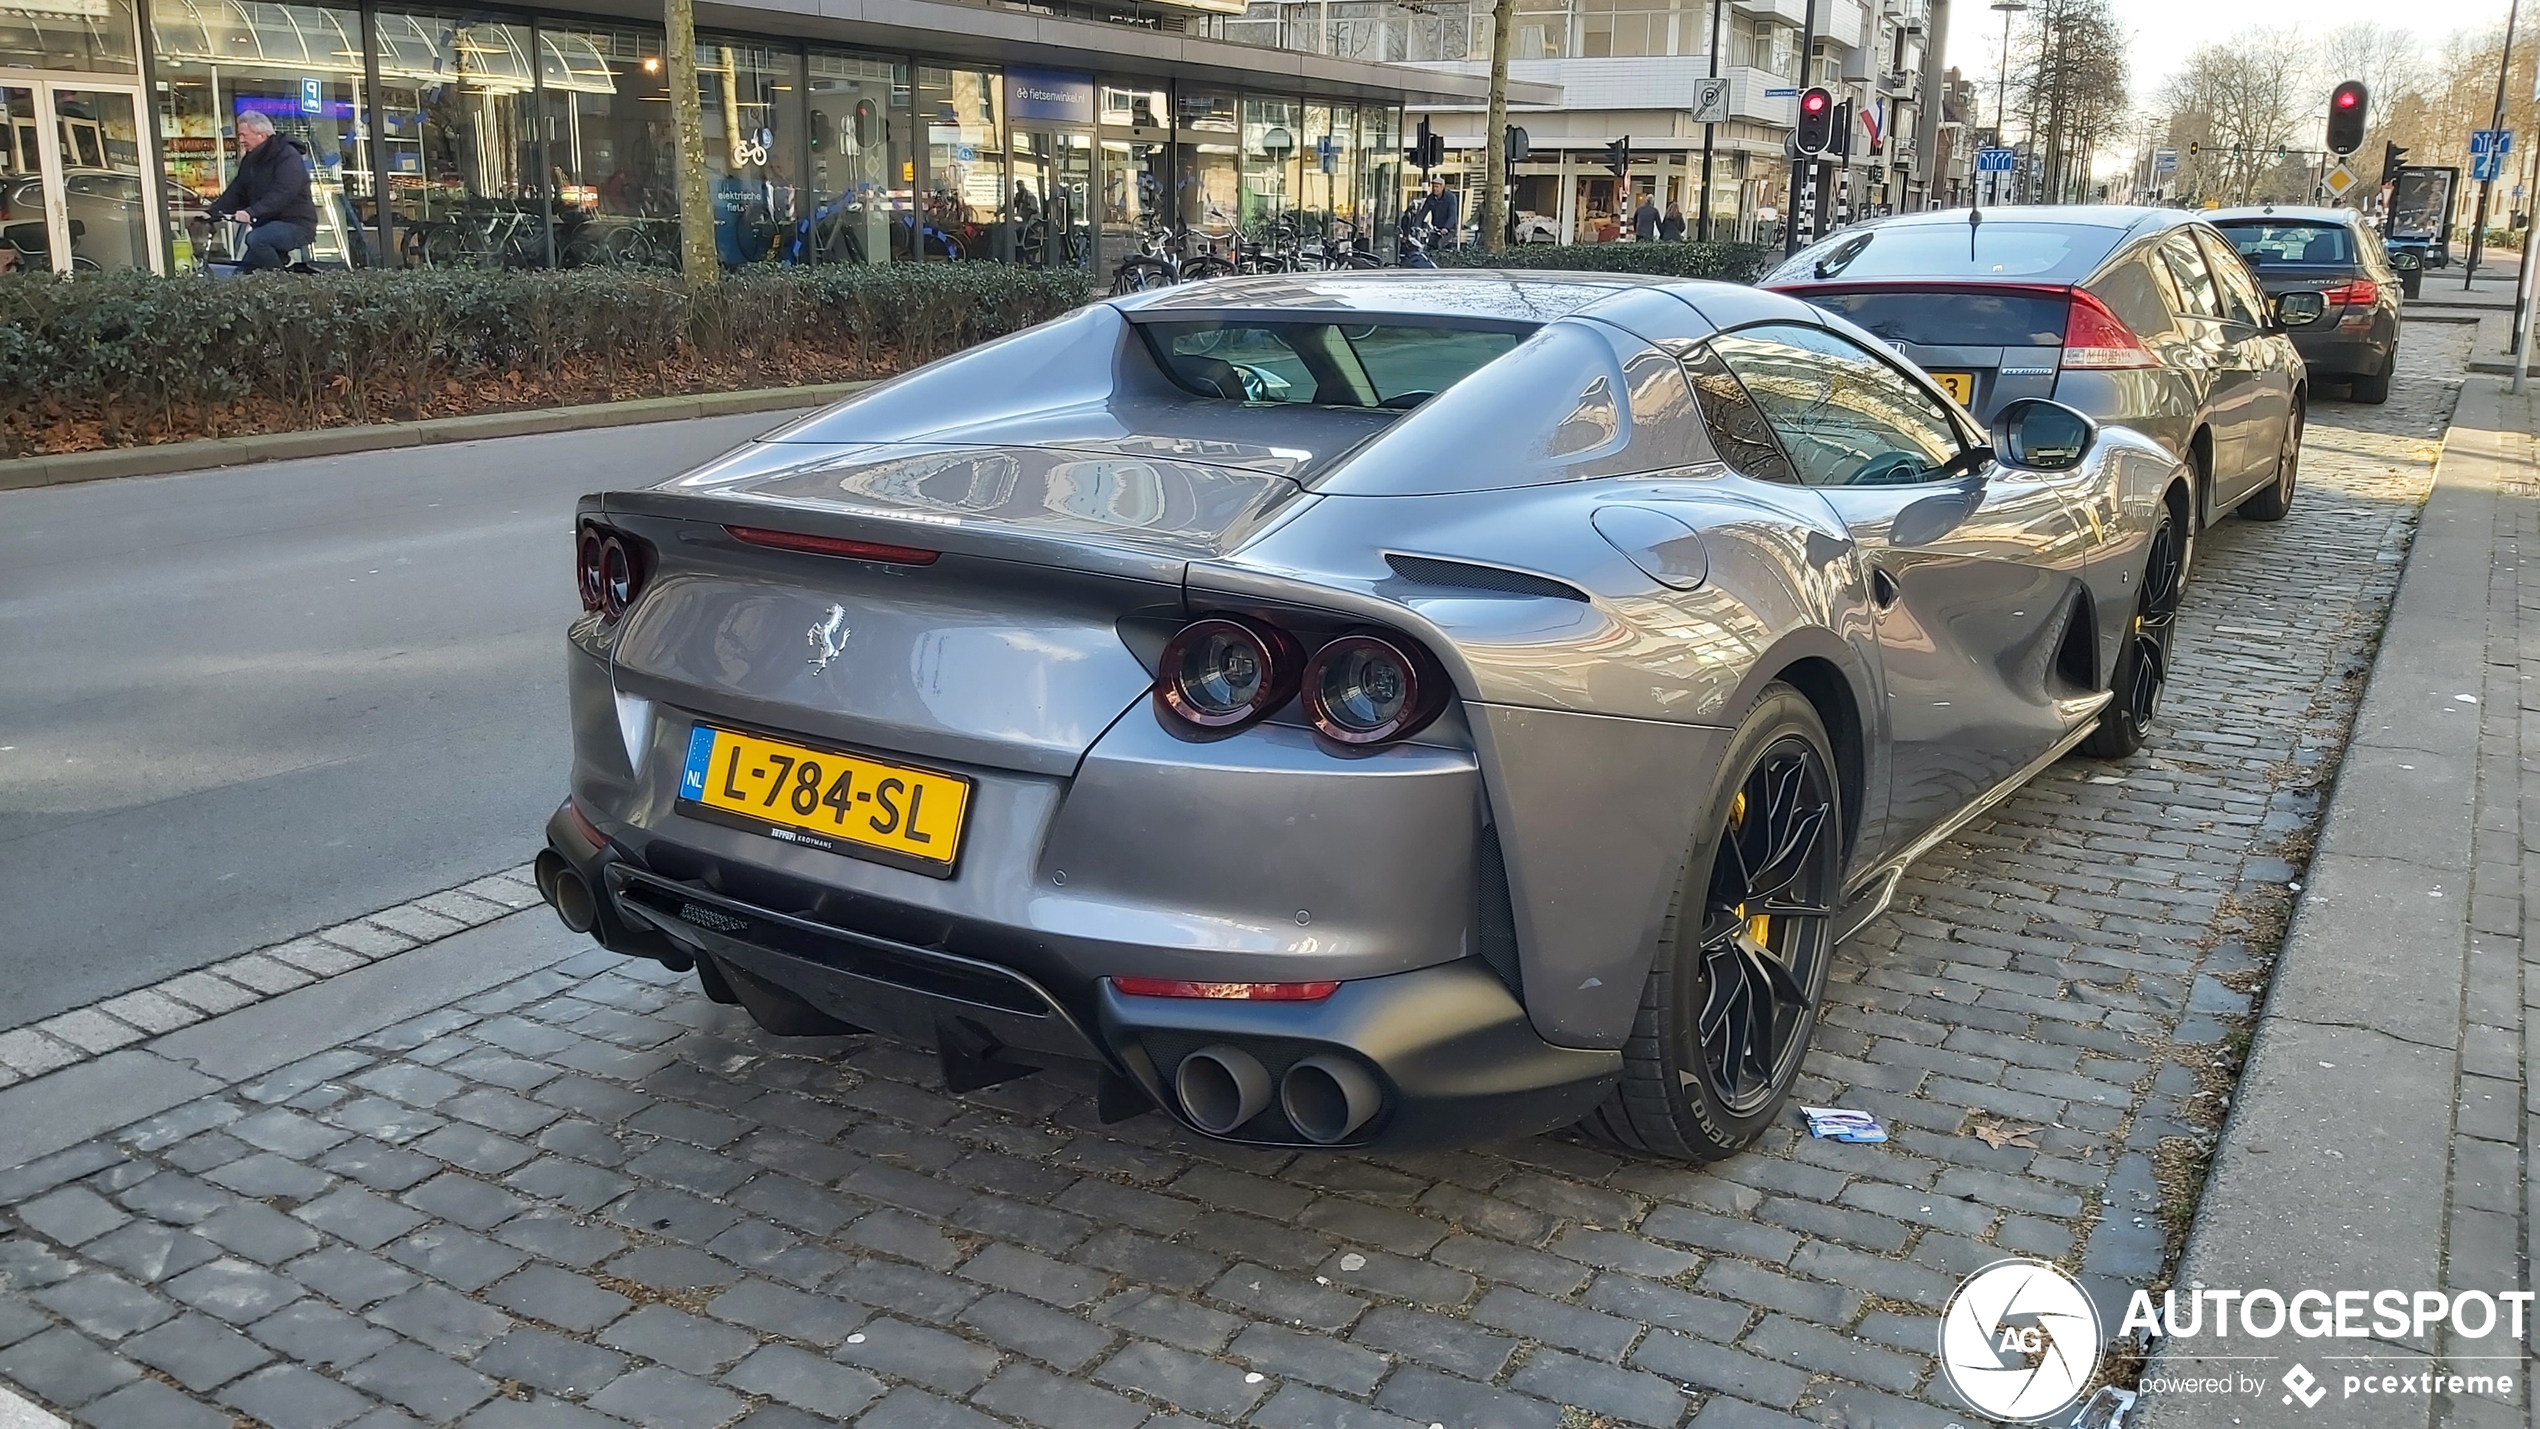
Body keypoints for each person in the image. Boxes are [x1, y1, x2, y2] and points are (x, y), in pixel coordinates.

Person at [206, 111, 317, 272]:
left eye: (244, 135)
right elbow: (238, 190)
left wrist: (251, 212)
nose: (241, 140)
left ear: (262, 135)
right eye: (240, 135)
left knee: (256, 239)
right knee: (240, 279)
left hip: (296, 224)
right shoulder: (251, 160)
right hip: (266, 225)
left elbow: (284, 191)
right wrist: (212, 212)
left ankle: (284, 283)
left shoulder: (287, 156)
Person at [1406, 177, 1459, 246]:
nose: (1434, 189)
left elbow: (1452, 215)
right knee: (1429, 245)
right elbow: (1423, 212)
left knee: (1440, 244)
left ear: (1442, 187)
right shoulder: (1431, 198)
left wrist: (1446, 228)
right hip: (1436, 228)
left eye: (1437, 187)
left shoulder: (1450, 198)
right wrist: (1416, 225)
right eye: (1433, 187)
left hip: (1449, 229)